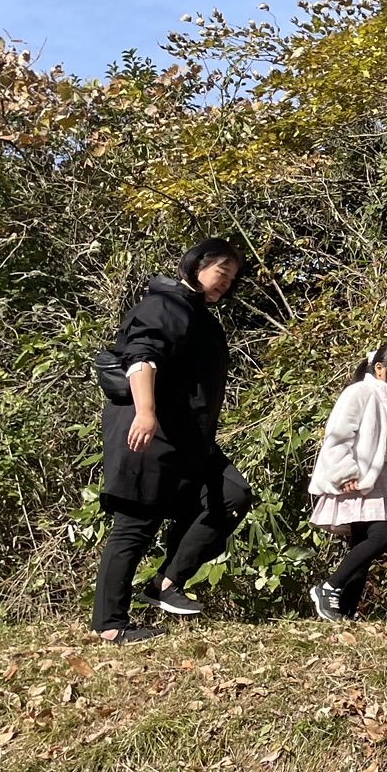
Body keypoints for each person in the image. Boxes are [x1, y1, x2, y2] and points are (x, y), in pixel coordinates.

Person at [90, 238, 254, 643]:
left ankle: (165, 582)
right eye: (221, 272)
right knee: (135, 524)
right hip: (151, 432)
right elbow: (141, 357)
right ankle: (110, 625)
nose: (225, 283)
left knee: (231, 494)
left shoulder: (199, 315)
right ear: (195, 265)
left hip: (189, 439)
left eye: (231, 278)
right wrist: (146, 412)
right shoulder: (164, 304)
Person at [307, 343, 387, 622]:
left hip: (378, 479)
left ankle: (345, 609)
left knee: (363, 542)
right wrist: (344, 473)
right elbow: (338, 435)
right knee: (379, 536)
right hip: (358, 479)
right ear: (379, 368)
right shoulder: (359, 392)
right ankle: (329, 587)